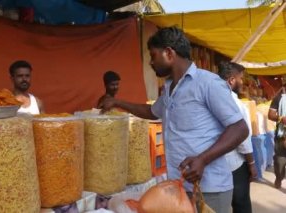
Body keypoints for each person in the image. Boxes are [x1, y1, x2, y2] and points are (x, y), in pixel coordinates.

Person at [98, 26, 249, 213]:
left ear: (169, 53)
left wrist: (202, 159)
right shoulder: (170, 88)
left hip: (209, 189)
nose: (151, 63)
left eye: (153, 56)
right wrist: (117, 102)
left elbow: (240, 128)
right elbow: (152, 111)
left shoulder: (208, 83)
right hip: (179, 186)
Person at [218, 62, 257, 213]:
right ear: (231, 80)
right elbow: (243, 139)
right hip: (234, 164)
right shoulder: (237, 104)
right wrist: (252, 163)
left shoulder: (208, 97)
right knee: (241, 204)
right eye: (241, 78)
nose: (242, 82)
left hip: (213, 163)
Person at [268, 83, 286, 189]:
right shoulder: (278, 98)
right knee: (280, 160)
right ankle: (279, 177)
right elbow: (270, 115)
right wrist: (281, 118)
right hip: (282, 133)